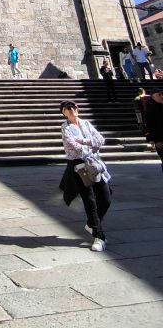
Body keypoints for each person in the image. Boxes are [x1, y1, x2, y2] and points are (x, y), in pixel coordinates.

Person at [59, 100, 112, 252]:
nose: (72, 109)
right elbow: (72, 145)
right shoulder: (65, 127)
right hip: (79, 166)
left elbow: (100, 139)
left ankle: (91, 224)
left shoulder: (86, 123)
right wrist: (91, 145)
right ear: (64, 113)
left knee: (106, 198)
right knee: (89, 200)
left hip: (94, 164)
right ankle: (99, 236)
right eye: (68, 108)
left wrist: (84, 141)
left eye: (74, 106)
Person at [144, 89, 163, 173]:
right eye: (158, 94)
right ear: (153, 96)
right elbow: (149, 125)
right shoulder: (151, 107)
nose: (161, 96)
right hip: (160, 138)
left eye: (161, 94)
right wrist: (156, 140)